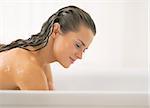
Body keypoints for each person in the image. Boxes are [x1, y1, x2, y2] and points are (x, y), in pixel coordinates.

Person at [0, 5, 96, 90]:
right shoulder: (29, 67)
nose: (80, 56)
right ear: (55, 30)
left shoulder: (43, 64)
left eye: (84, 50)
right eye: (78, 45)